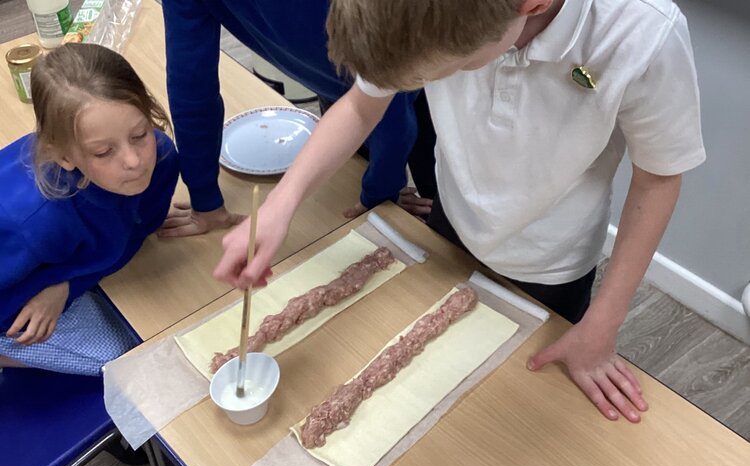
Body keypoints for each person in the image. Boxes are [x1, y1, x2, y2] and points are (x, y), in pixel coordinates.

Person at [214, 0, 705, 423]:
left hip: (550, 262)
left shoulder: (643, 33)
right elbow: (363, 105)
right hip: (450, 225)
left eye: (442, 74)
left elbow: (659, 177)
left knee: (510, 408)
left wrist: (604, 322)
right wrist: (283, 201)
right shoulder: (431, 18)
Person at [158, 0, 435, 238]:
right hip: (348, 83)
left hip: (432, 69)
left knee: (446, 216)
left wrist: (381, 190)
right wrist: (204, 198)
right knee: (356, 178)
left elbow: (389, 96)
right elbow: (191, 86)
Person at [0, 43, 179, 376]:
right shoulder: (34, 222)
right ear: (64, 156)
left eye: (140, 134)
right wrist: (56, 286)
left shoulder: (163, 158)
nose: (134, 161)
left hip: (51, 268)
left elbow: (130, 239)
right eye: (103, 152)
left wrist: (67, 283)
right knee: (124, 357)